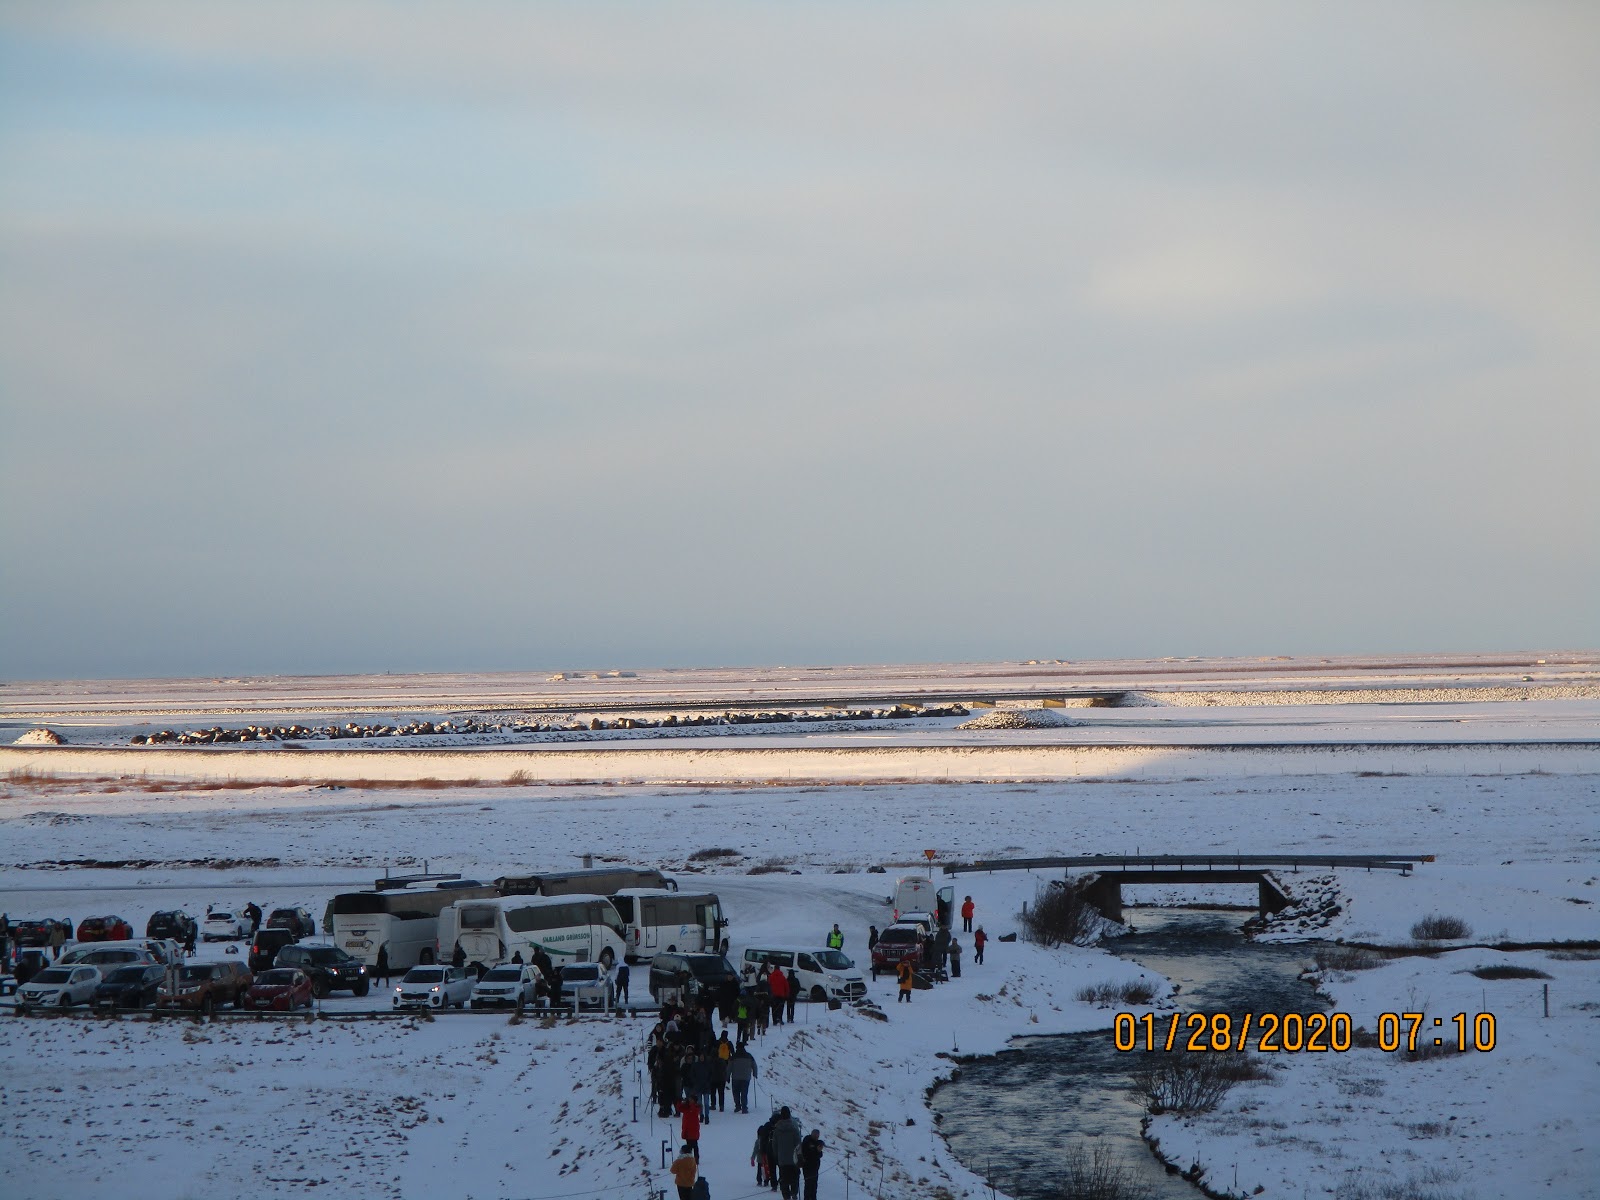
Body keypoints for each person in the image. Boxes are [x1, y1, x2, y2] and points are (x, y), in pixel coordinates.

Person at [769, 1105, 804, 1200]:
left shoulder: (777, 1130)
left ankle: (786, 1196)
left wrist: (776, 1157)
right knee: (795, 1178)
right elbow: (798, 1145)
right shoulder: (794, 1128)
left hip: (782, 1160)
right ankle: (794, 1193)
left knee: (784, 1179)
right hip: (794, 1159)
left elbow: (774, 1145)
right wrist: (800, 1157)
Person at [729, 1041, 758, 1113]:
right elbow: (754, 1065)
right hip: (746, 1077)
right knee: (744, 1092)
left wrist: (727, 1076)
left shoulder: (734, 1056)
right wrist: (755, 1073)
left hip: (735, 1077)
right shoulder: (749, 1055)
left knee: (736, 1092)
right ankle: (744, 1107)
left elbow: (729, 1067)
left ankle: (738, 1106)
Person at [676, 1094, 703, 1161]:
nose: (689, 1100)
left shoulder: (696, 1107)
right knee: (689, 1145)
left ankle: (696, 1159)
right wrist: (679, 1102)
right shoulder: (686, 1107)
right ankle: (689, 1158)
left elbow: (693, 1110)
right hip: (687, 1129)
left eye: (691, 1099)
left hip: (693, 1129)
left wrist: (689, 1104)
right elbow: (679, 1108)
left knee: (694, 1145)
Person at [800, 1129, 826, 1200]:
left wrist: (819, 1151)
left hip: (815, 1167)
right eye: (815, 1135)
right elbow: (807, 1154)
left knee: (814, 1185)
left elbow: (819, 1155)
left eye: (817, 1136)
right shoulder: (807, 1141)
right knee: (808, 1184)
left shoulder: (817, 1143)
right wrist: (816, 1150)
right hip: (807, 1166)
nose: (816, 1137)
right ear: (812, 1134)